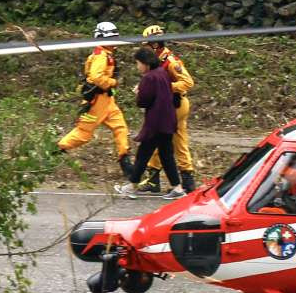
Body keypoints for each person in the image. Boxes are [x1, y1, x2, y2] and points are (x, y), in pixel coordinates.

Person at [57, 21, 134, 178]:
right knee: (83, 133)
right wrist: (113, 82)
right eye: (111, 38)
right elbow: (96, 76)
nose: (114, 42)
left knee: (120, 128)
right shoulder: (100, 56)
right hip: (96, 102)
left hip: (107, 100)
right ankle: (55, 150)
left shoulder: (106, 54)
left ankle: (125, 159)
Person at [134, 24, 197, 194]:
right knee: (174, 142)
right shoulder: (155, 61)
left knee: (161, 141)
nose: (144, 48)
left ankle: (158, 179)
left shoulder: (170, 61)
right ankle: (184, 180)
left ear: (154, 45)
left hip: (175, 105)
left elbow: (188, 82)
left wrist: (164, 87)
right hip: (168, 105)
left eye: (146, 44)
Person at [114, 47, 184, 199]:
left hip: (155, 122)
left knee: (143, 154)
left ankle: (132, 186)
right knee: (166, 155)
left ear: (145, 63)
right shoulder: (163, 74)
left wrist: (138, 93)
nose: (137, 66)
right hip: (168, 119)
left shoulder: (149, 77)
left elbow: (143, 101)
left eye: (138, 63)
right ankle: (177, 188)